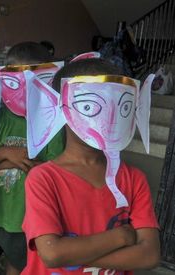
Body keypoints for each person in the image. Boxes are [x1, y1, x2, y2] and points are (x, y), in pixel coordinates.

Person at [21, 59, 160, 274]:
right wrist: (120, 236)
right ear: (60, 109)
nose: (110, 120)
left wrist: (76, 253)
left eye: (122, 107)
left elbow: (149, 255)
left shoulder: (134, 179)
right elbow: (52, 254)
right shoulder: (43, 178)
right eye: (89, 106)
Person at [0, 42, 64, 275]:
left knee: (18, 266)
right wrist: (6, 154)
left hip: (23, 216)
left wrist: (8, 160)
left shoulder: (53, 124)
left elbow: (54, 169)